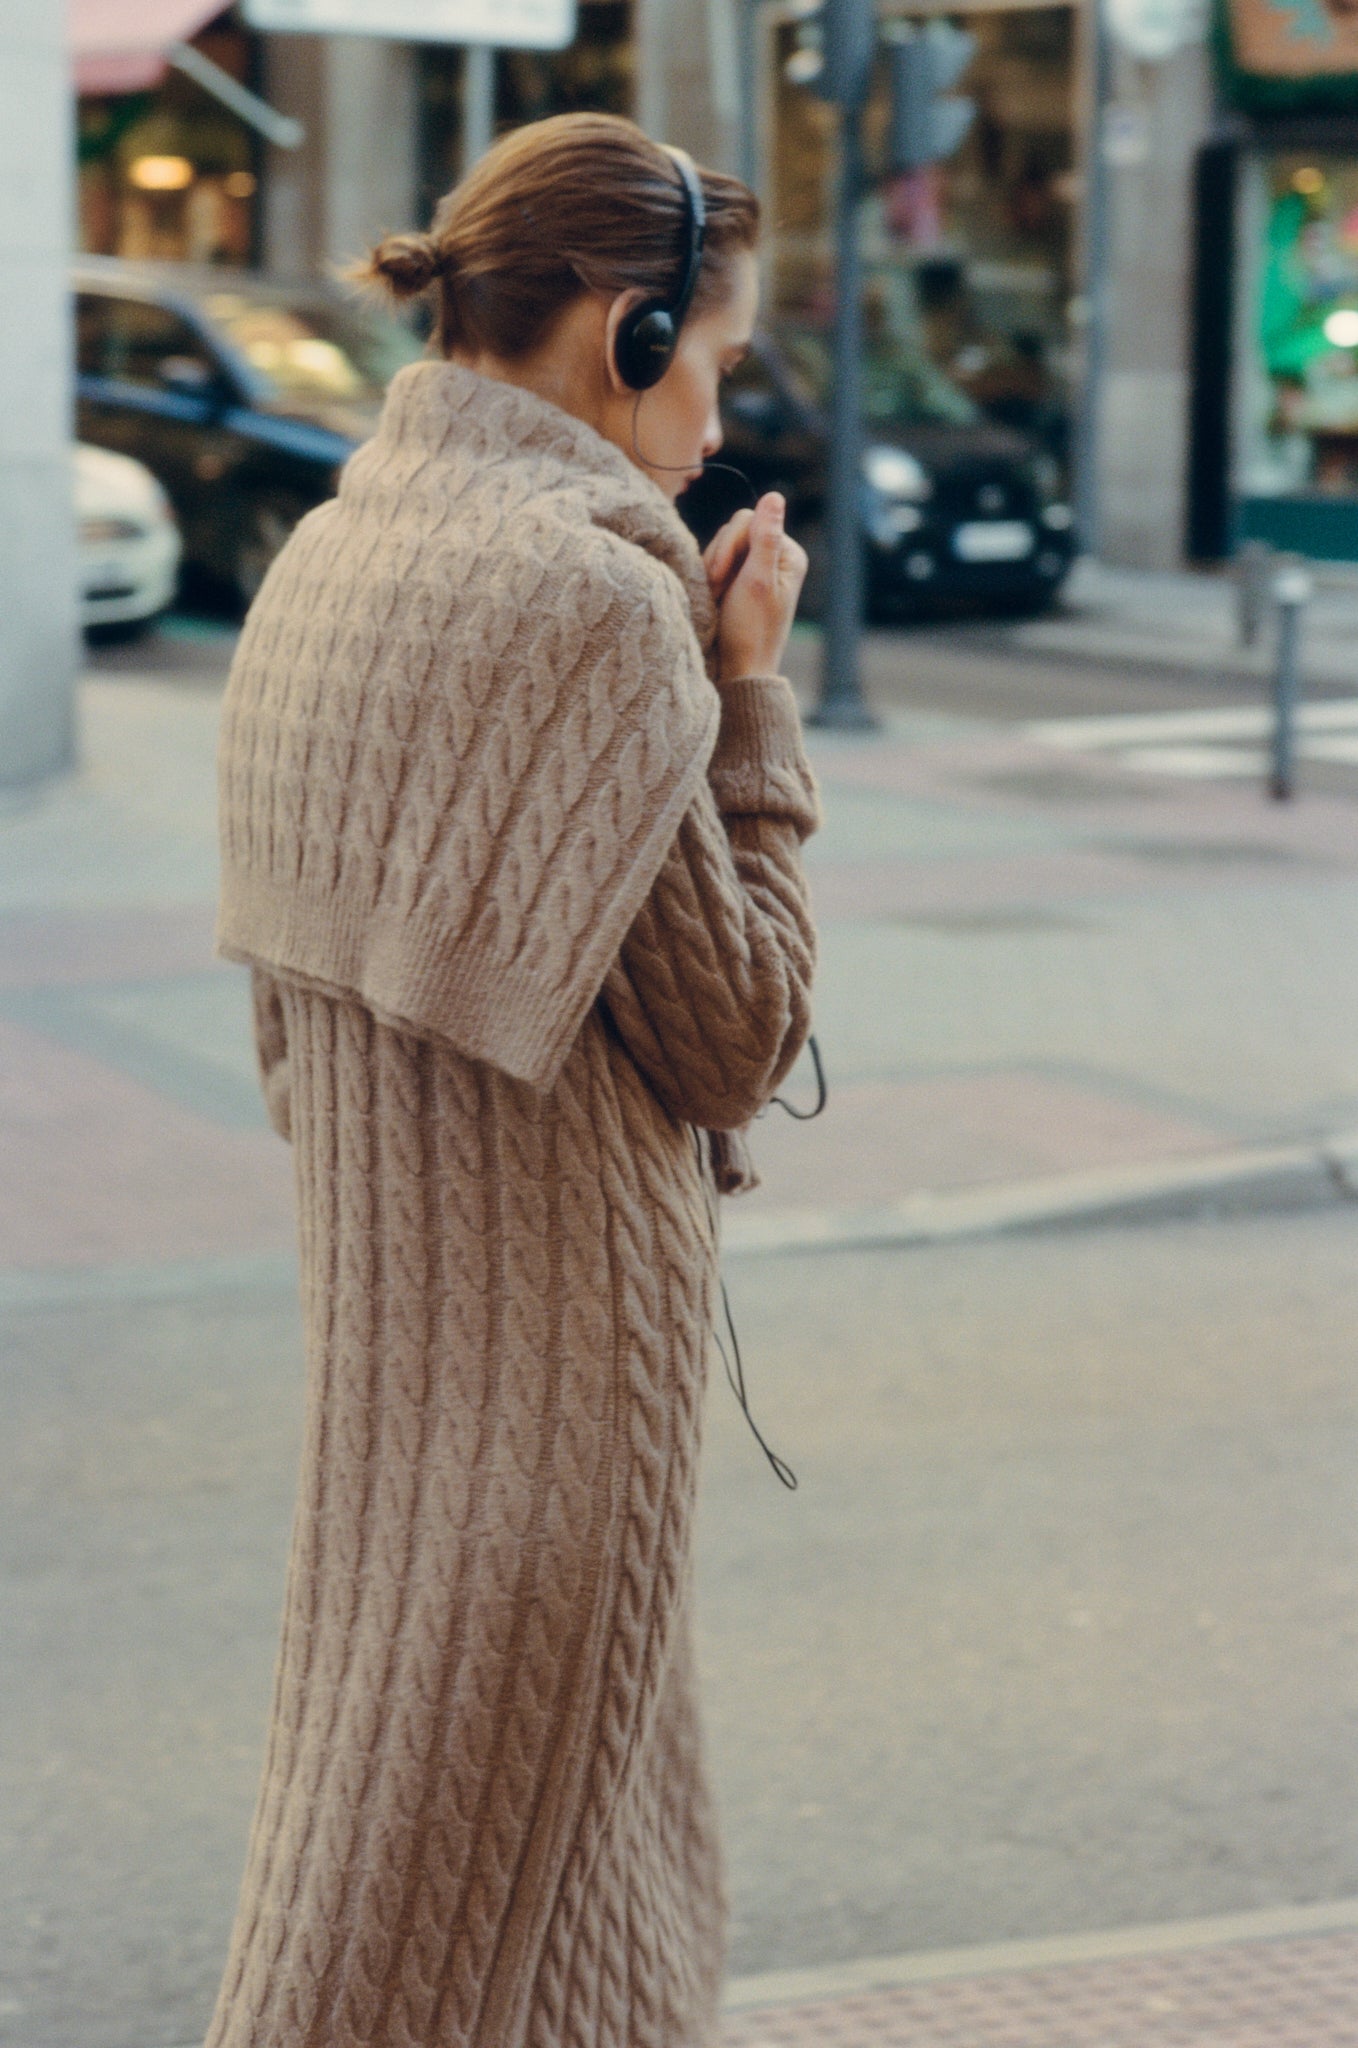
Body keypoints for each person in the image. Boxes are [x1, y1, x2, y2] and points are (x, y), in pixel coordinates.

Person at [207, 112, 819, 2048]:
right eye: (709, 359)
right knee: (421, 1931)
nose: (716, 418)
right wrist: (749, 700)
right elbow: (737, 1031)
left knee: (551, 1889)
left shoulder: (341, 549)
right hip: (563, 1370)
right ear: (627, 335)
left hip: (398, 1340)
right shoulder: (590, 591)